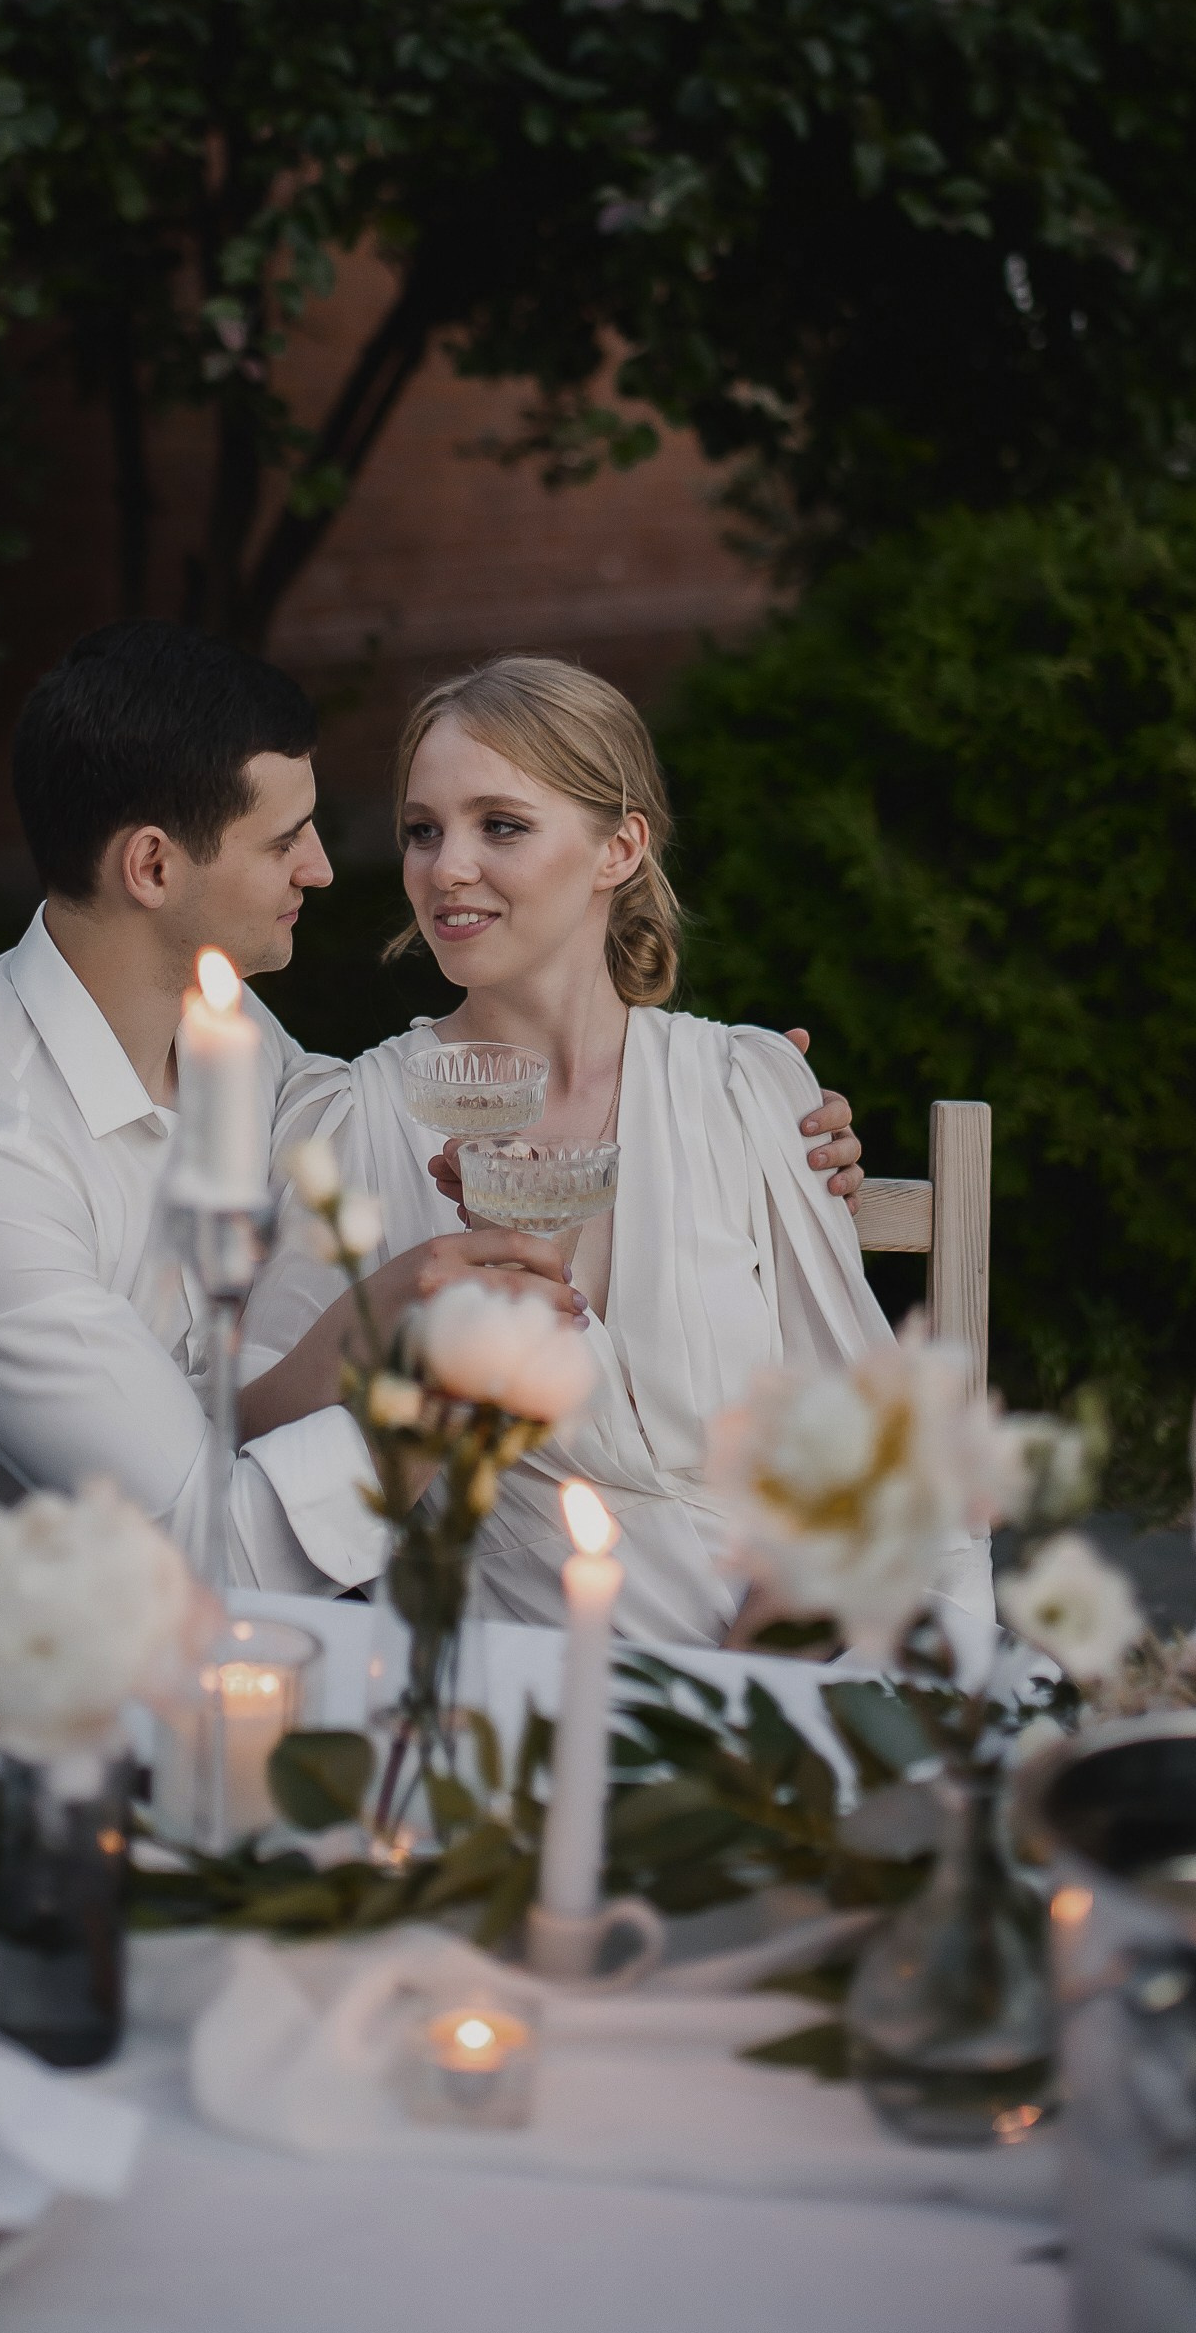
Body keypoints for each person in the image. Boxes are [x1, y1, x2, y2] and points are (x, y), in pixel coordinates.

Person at [239, 655, 992, 1651]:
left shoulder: (743, 1089)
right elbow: (255, 1442)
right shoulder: (356, 1119)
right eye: (423, 830)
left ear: (619, 848)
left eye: (500, 825)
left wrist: (793, 1651)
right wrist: (394, 1311)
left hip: (787, 1671)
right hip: (518, 1686)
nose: (445, 867)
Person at [0, 624, 579, 1582]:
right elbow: (208, 1552)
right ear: (152, 867)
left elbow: (340, 1130)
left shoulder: (221, 1022)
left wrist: (667, 1106)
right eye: (283, 841)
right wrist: (453, 1384)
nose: (320, 868)